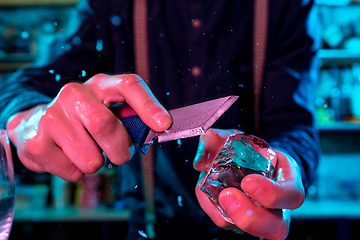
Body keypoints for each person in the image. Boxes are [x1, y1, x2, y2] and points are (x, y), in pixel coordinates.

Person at [0, 0, 321, 239]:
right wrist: (28, 119)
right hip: (149, 229)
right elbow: (26, 86)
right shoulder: (112, 6)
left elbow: (294, 124)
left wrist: (285, 162)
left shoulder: (287, 6)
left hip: (256, 233)